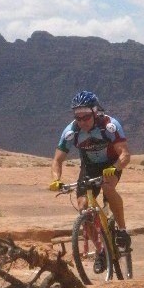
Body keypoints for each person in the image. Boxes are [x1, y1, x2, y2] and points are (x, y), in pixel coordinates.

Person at [49, 91, 131, 270]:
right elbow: (57, 159)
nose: (82, 122)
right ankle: (101, 251)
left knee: (108, 188)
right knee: (83, 207)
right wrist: (57, 179)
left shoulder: (109, 126)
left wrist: (116, 168)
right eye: (78, 118)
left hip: (111, 164)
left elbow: (124, 154)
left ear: (95, 112)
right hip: (89, 167)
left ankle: (122, 231)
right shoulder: (72, 131)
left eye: (86, 117)